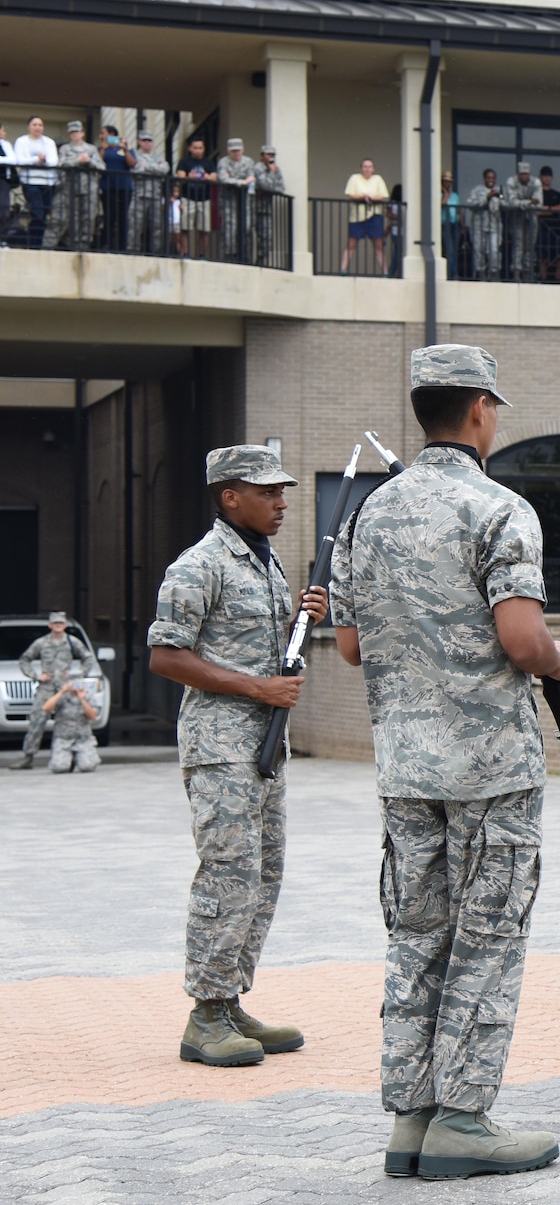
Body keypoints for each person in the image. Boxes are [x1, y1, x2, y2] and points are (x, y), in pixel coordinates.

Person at [331, 345, 560, 1179]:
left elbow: (352, 647)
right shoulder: (500, 508)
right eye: (494, 407)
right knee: (487, 937)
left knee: (416, 937)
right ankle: (464, 1118)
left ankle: (412, 1118)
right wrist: (557, 662)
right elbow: (521, 637)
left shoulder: (367, 516)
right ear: (477, 410)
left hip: (404, 769)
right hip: (490, 769)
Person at [147, 445, 326, 1068]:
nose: (281, 503)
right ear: (230, 497)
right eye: (268, 493)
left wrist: (303, 620)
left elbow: (252, 646)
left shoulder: (265, 565)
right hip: (221, 744)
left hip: (264, 744)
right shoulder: (198, 565)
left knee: (264, 874)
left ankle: (231, 999)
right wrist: (258, 688)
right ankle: (205, 1015)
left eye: (282, 492)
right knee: (228, 874)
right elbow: (166, 656)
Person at [15, 611, 89, 769]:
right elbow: (25, 659)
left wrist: (77, 674)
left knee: (70, 721)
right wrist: (36, 676)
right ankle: (28, 756)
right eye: (55, 623)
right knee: (36, 720)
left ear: (65, 625)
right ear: (50, 625)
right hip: (46, 688)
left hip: (65, 687)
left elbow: (88, 658)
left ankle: (71, 755)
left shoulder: (72, 642)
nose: (58, 626)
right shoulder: (41, 643)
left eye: (60, 623)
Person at [47, 121, 104, 252]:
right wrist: (77, 161)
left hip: (89, 188)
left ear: (82, 133)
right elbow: (60, 166)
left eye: (77, 132)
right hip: (69, 189)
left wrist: (89, 161)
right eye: (72, 132)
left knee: (88, 218)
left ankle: (83, 247)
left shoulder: (91, 149)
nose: (75, 134)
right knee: (70, 219)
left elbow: (102, 167)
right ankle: (70, 246)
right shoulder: (65, 149)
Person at [41, 665, 102, 774]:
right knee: (59, 768)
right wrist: (61, 692)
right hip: (63, 739)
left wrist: (82, 699)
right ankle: (68, 759)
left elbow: (92, 716)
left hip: (82, 738)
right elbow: (46, 708)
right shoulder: (62, 697)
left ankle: (78, 757)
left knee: (87, 766)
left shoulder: (88, 697)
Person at [14, 117, 61, 246]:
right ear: (29, 127)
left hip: (48, 183)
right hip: (30, 182)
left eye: (40, 125)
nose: (37, 127)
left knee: (44, 212)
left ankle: (37, 242)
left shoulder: (49, 142)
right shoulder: (22, 141)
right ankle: (34, 242)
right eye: (34, 124)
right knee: (37, 210)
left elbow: (54, 161)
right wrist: (36, 159)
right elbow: (19, 161)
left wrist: (43, 160)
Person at [340, 157, 389, 275]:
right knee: (351, 244)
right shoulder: (355, 178)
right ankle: (342, 270)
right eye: (365, 167)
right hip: (357, 216)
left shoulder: (378, 179)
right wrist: (363, 197)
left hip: (375, 215)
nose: (367, 169)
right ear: (361, 168)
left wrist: (370, 198)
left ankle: (385, 273)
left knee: (378, 245)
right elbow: (350, 194)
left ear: (373, 169)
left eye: (369, 167)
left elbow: (382, 196)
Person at [215, 137, 258, 262]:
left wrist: (236, 180)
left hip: (245, 201)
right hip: (228, 201)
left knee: (247, 228)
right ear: (229, 151)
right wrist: (242, 182)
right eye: (233, 151)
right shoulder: (223, 162)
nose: (236, 153)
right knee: (229, 230)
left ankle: (246, 257)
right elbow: (223, 179)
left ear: (243, 150)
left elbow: (251, 177)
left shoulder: (248, 161)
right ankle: (229, 257)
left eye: (238, 150)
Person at [131, 130, 172, 255]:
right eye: (144, 140)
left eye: (149, 141)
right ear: (139, 142)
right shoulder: (134, 155)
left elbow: (165, 169)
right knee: (135, 224)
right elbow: (135, 169)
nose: (147, 143)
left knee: (157, 226)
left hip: (155, 195)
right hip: (139, 194)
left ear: (153, 143)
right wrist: (154, 169)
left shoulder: (158, 158)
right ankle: (133, 250)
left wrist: (146, 167)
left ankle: (156, 252)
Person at [497, 160, 539, 280]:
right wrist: (529, 202)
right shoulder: (511, 181)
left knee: (530, 246)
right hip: (516, 218)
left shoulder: (535, 182)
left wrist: (522, 204)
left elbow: (538, 202)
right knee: (518, 245)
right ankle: (516, 272)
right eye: (522, 174)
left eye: (526, 174)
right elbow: (511, 202)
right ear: (518, 173)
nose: (524, 176)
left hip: (531, 219)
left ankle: (528, 272)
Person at [461, 167, 501, 282]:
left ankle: (494, 273)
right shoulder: (477, 190)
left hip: (494, 227)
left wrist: (497, 199)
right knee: (479, 251)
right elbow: (470, 204)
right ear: (484, 178)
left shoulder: (499, 190)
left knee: (494, 250)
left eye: (493, 178)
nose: (491, 180)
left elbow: (506, 204)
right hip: (479, 226)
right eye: (489, 177)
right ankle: (480, 274)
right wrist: (486, 197)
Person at [99, 124, 134, 252]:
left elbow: (132, 163)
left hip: (125, 187)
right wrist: (103, 148)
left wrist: (125, 149)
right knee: (109, 216)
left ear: (112, 134)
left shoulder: (124, 147)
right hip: (108, 187)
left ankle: (122, 246)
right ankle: (106, 244)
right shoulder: (102, 148)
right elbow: (98, 162)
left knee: (122, 217)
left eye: (103, 133)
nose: (101, 136)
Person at [253, 144, 287, 265]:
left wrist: (272, 175)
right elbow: (264, 185)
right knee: (249, 233)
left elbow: (281, 188)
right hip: (253, 206)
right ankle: (246, 259)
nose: (271, 158)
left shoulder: (276, 169)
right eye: (268, 155)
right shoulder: (258, 167)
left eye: (273, 155)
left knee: (267, 237)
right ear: (262, 156)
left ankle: (261, 260)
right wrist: (272, 175)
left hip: (266, 208)